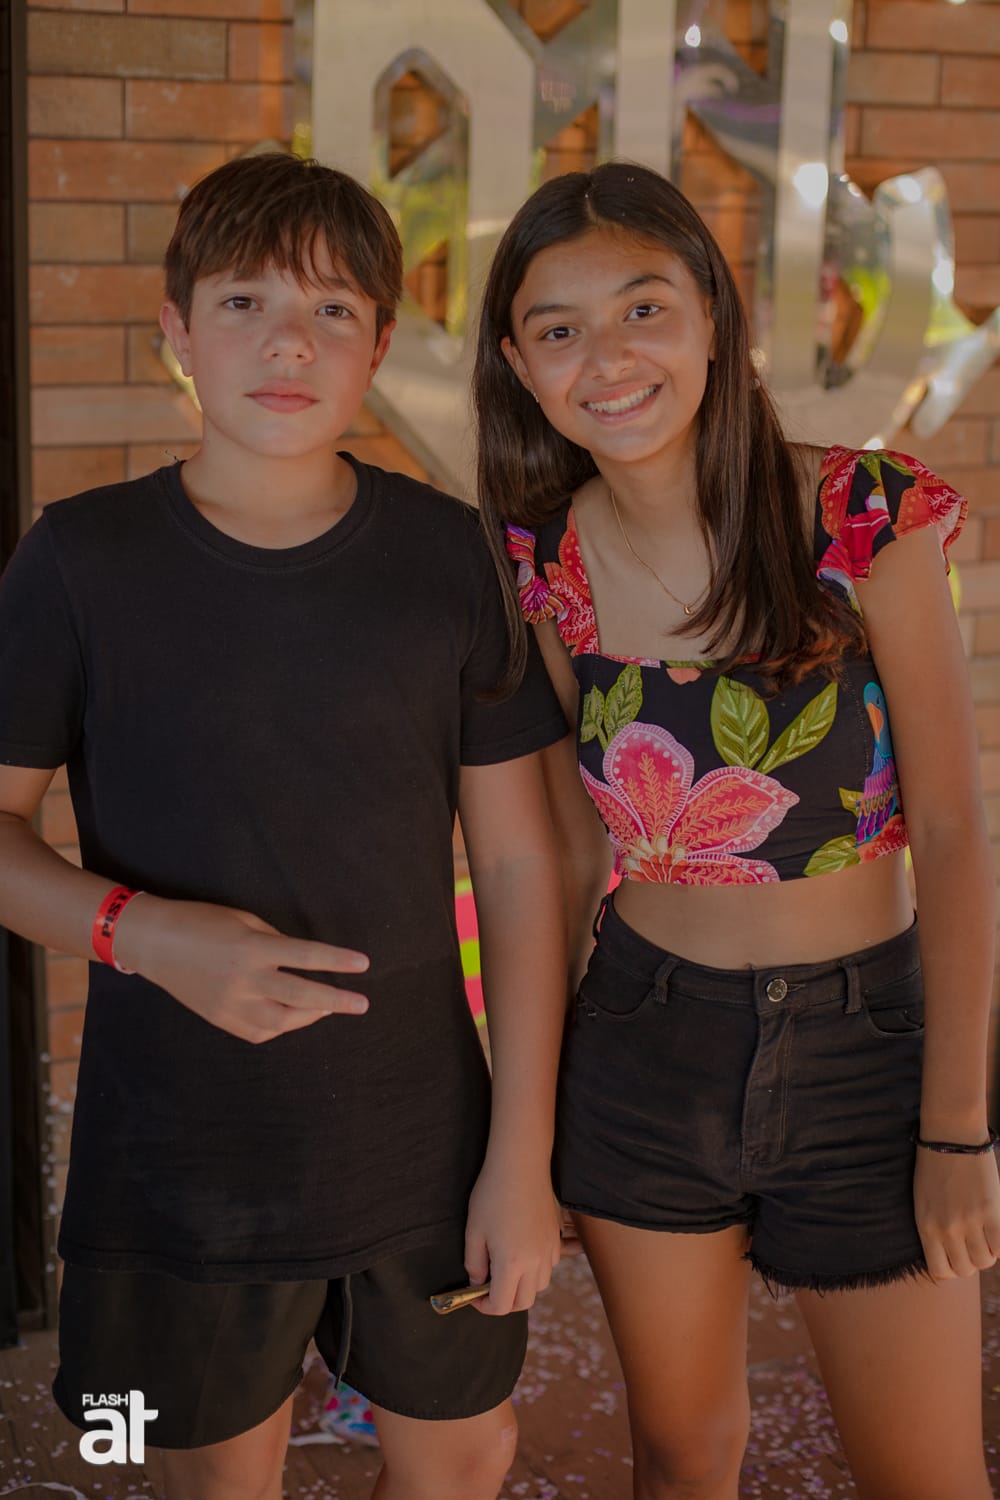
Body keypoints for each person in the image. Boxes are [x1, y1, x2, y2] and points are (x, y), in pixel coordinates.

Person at [0, 152, 570, 1500]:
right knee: (172, 1463)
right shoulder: (78, 560)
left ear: (380, 341)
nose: (288, 343)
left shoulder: (451, 557)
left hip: (422, 1141)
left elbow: (518, 865)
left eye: (331, 310)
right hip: (175, 1158)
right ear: (178, 329)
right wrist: (144, 935)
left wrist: (523, 1159)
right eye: (245, 302)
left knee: (470, 1450)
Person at [473, 160, 1000, 1500]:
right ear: (519, 366)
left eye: (644, 308)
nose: (608, 358)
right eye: (559, 328)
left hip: (870, 1053)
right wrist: (522, 1135)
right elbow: (565, 858)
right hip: (643, 1045)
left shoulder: (862, 514)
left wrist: (957, 1127)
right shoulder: (546, 564)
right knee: (683, 1457)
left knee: (927, 1478)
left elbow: (951, 829)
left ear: (712, 312)